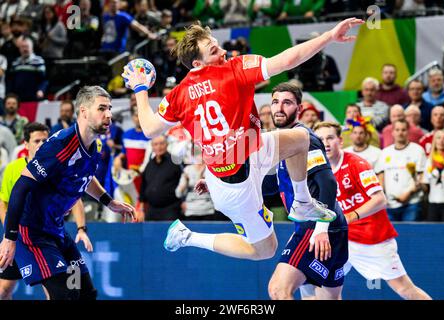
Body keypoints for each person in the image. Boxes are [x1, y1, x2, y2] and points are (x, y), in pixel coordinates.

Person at [122, 18, 363, 261]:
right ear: (197, 63)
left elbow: (150, 128)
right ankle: (187, 236)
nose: (224, 51)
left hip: (247, 152)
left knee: (302, 138)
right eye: (214, 50)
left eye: (218, 45)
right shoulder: (234, 69)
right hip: (236, 188)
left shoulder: (178, 94)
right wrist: (330, 36)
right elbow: (288, 60)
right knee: (265, 251)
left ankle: (302, 202)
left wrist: (141, 89)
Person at [0, 86, 135, 300]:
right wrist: (9, 238)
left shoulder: (95, 145)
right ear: (83, 111)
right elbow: (20, 187)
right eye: (102, 108)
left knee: (85, 294)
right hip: (32, 232)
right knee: (65, 296)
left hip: (56, 230)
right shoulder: (60, 145)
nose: (109, 114)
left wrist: (109, 202)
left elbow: (85, 178)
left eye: (109, 108)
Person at [309, 121, 431, 300]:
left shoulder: (357, 163)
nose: (326, 143)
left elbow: (380, 199)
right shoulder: (316, 168)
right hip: (340, 238)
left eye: (330, 138)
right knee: (322, 290)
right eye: (321, 139)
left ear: (340, 141)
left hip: (371, 238)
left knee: (405, 289)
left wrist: (350, 216)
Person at [267, 83, 348, 300]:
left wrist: (321, 228)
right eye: (275, 102)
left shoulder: (304, 139)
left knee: (278, 290)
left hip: (317, 226)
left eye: (287, 102)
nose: (279, 108)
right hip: (333, 227)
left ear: (299, 109)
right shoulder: (285, 140)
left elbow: (328, 184)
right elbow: (274, 186)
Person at [0, 122, 93, 300]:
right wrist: (9, 234)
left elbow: (75, 197)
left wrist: (81, 228)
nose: (42, 144)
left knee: (58, 288)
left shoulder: (57, 164)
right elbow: (4, 202)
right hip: (20, 235)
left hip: (48, 234)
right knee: (4, 287)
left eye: (45, 139)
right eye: (37, 140)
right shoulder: (13, 169)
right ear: (25, 144)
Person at [375, 119, 426, 222]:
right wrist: (382, 199)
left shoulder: (418, 150)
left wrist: (409, 193)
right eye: (397, 130)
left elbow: (421, 178)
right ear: (392, 132)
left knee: (411, 236)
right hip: (389, 205)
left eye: (403, 130)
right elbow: (381, 178)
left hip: (412, 203)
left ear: (408, 131)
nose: (400, 133)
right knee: (391, 238)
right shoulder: (385, 152)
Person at [422, 129, 444, 221]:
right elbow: (425, 186)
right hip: (433, 203)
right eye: (438, 138)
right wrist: (418, 183)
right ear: (434, 141)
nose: (441, 141)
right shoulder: (429, 161)